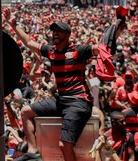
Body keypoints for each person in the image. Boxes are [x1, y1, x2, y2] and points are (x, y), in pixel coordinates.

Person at [6, 11, 101, 161]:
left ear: (68, 35)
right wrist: (13, 24)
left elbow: (98, 49)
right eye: (54, 31)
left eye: (59, 31)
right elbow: (29, 43)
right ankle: (32, 152)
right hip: (61, 101)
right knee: (25, 112)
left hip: (78, 102)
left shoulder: (78, 50)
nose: (55, 33)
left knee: (64, 145)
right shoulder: (51, 52)